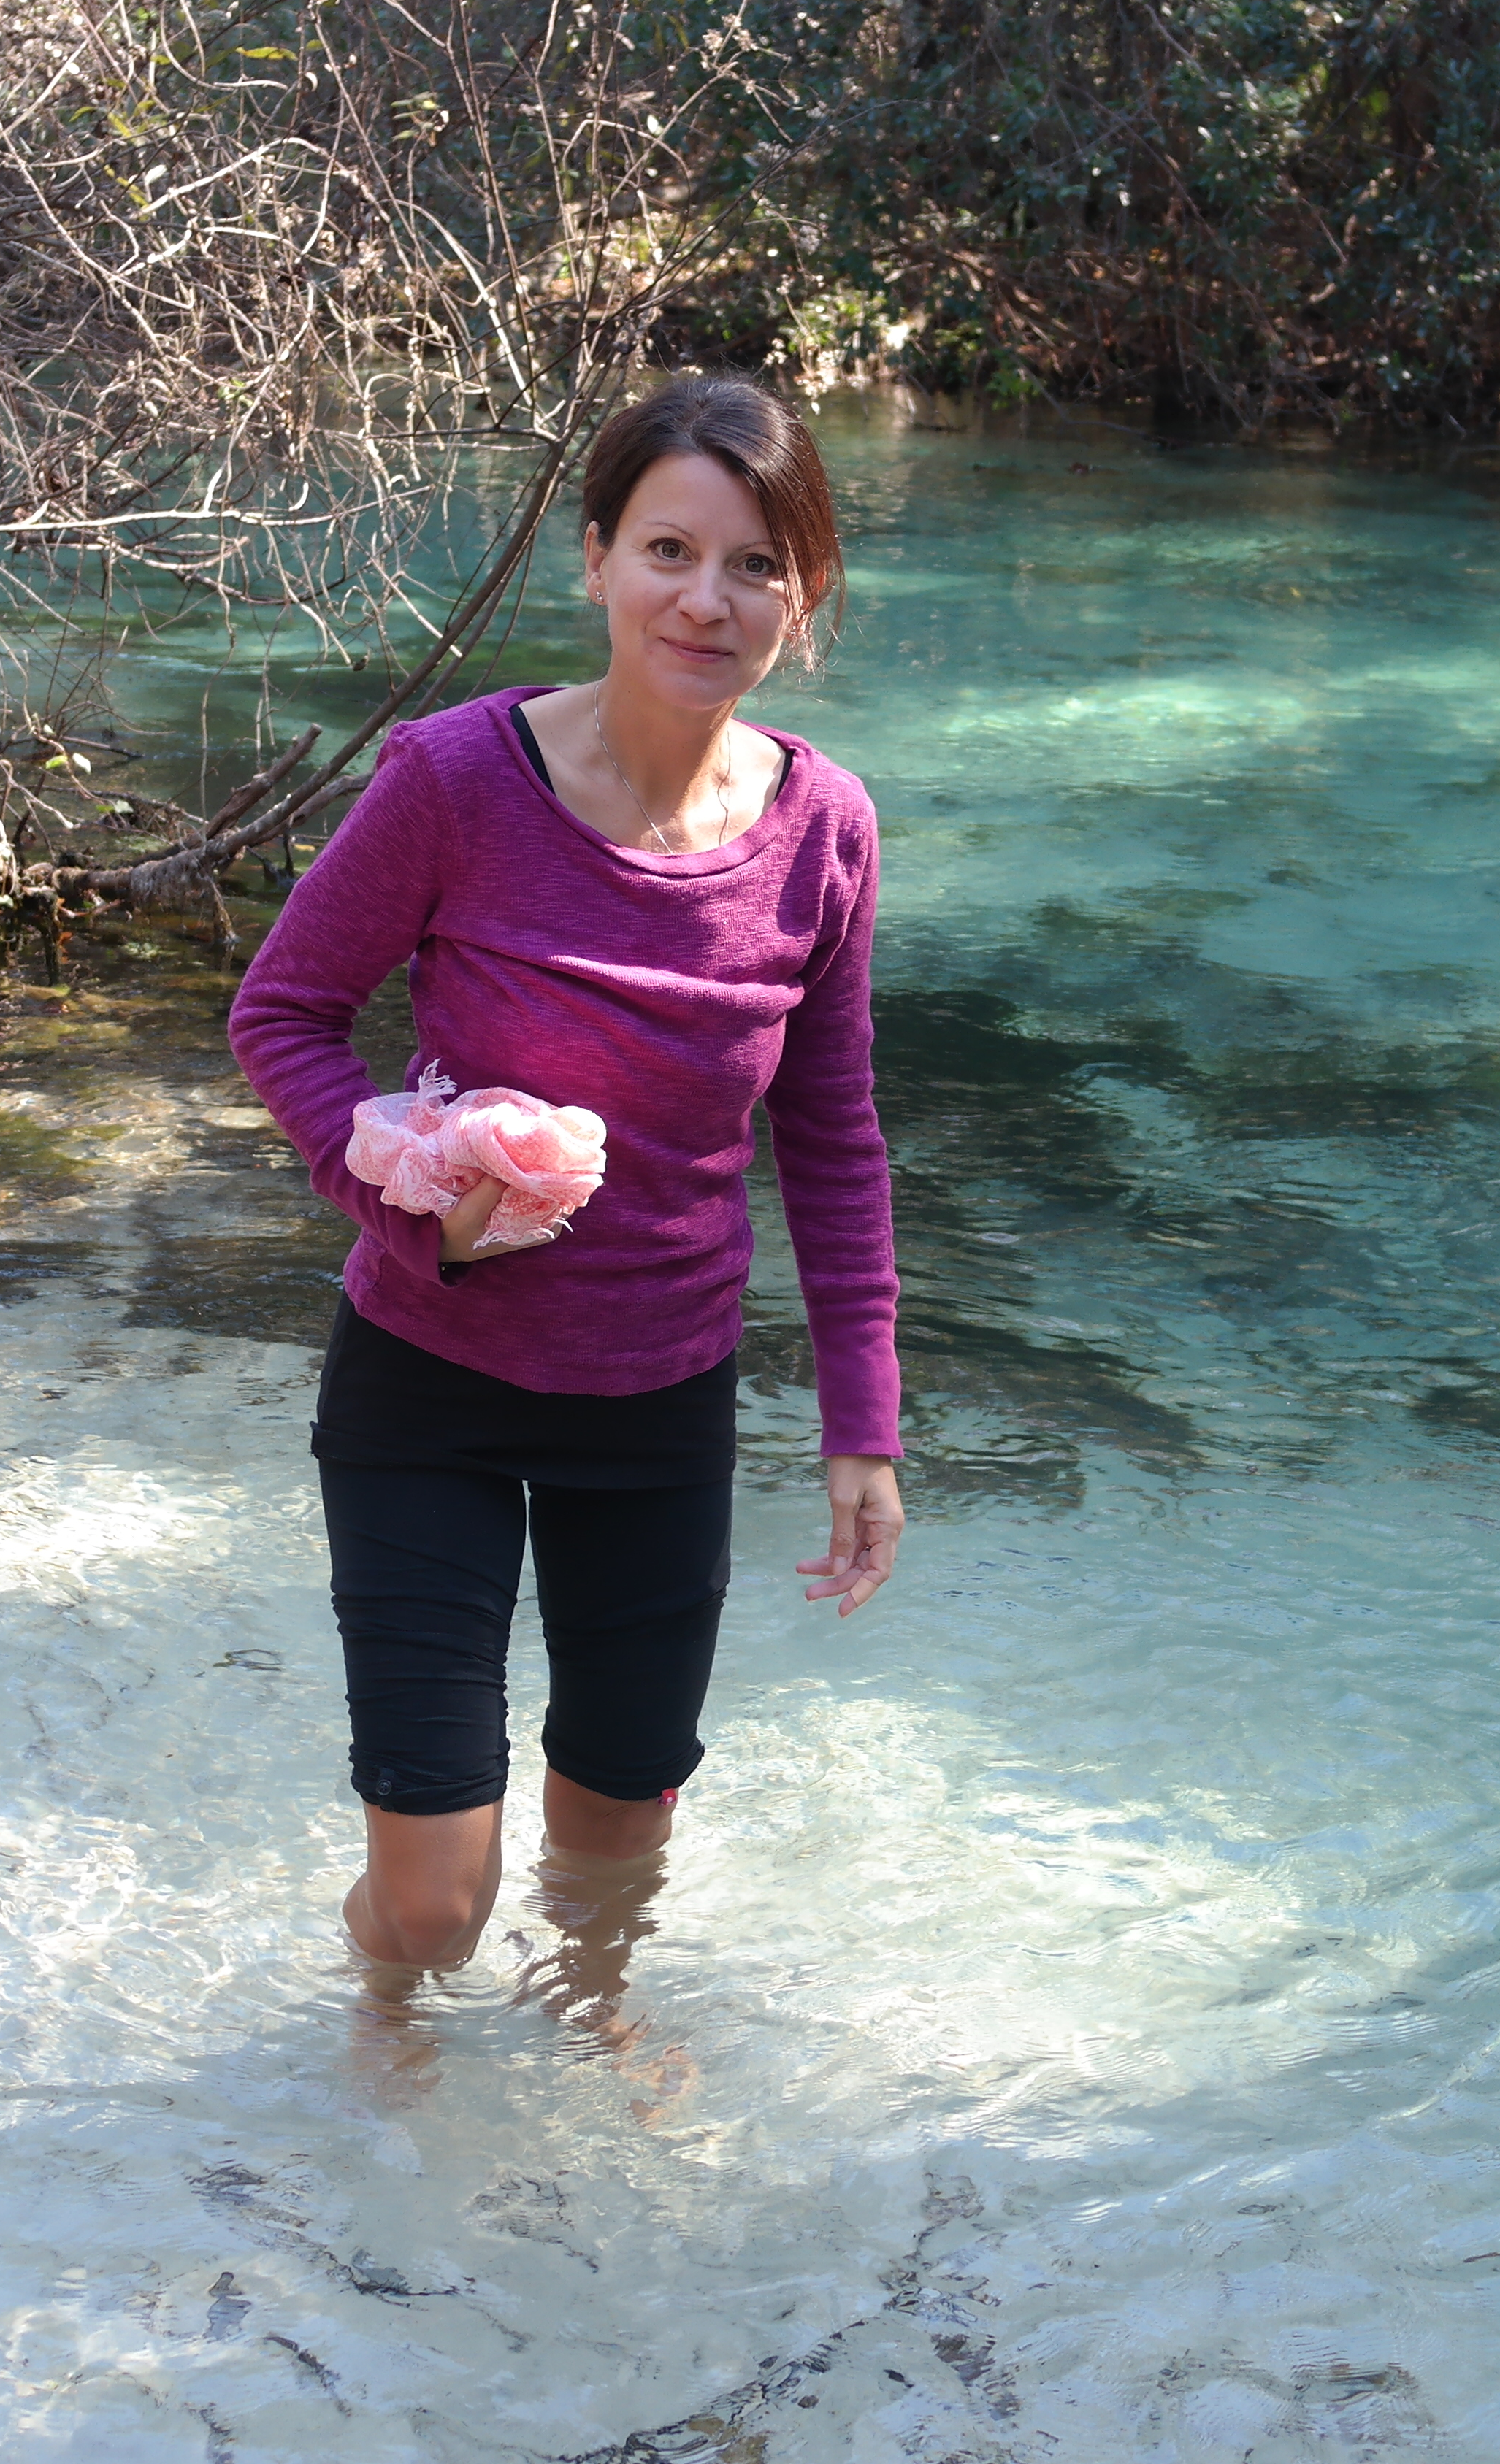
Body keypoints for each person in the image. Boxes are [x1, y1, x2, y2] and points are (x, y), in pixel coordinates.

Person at [227, 373, 906, 1976]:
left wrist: (861, 1426)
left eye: (757, 566)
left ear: (801, 601)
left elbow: (832, 1136)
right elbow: (285, 1012)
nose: (707, 598)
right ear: (595, 558)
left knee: (610, 1861)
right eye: (670, 548)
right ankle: (375, 2050)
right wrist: (394, 1170)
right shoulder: (457, 780)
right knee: (434, 1910)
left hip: (660, 1413)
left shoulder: (826, 832)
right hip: (425, 1389)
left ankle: (587, 2065)